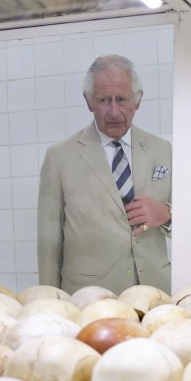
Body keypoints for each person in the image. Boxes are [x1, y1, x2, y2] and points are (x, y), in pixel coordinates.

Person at [38, 54, 172, 295]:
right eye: (103, 100)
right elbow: (49, 243)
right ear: (89, 101)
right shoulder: (59, 157)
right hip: (88, 295)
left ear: (138, 100)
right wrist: (50, 300)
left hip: (155, 292)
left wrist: (167, 213)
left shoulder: (163, 150)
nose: (113, 111)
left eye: (121, 99)